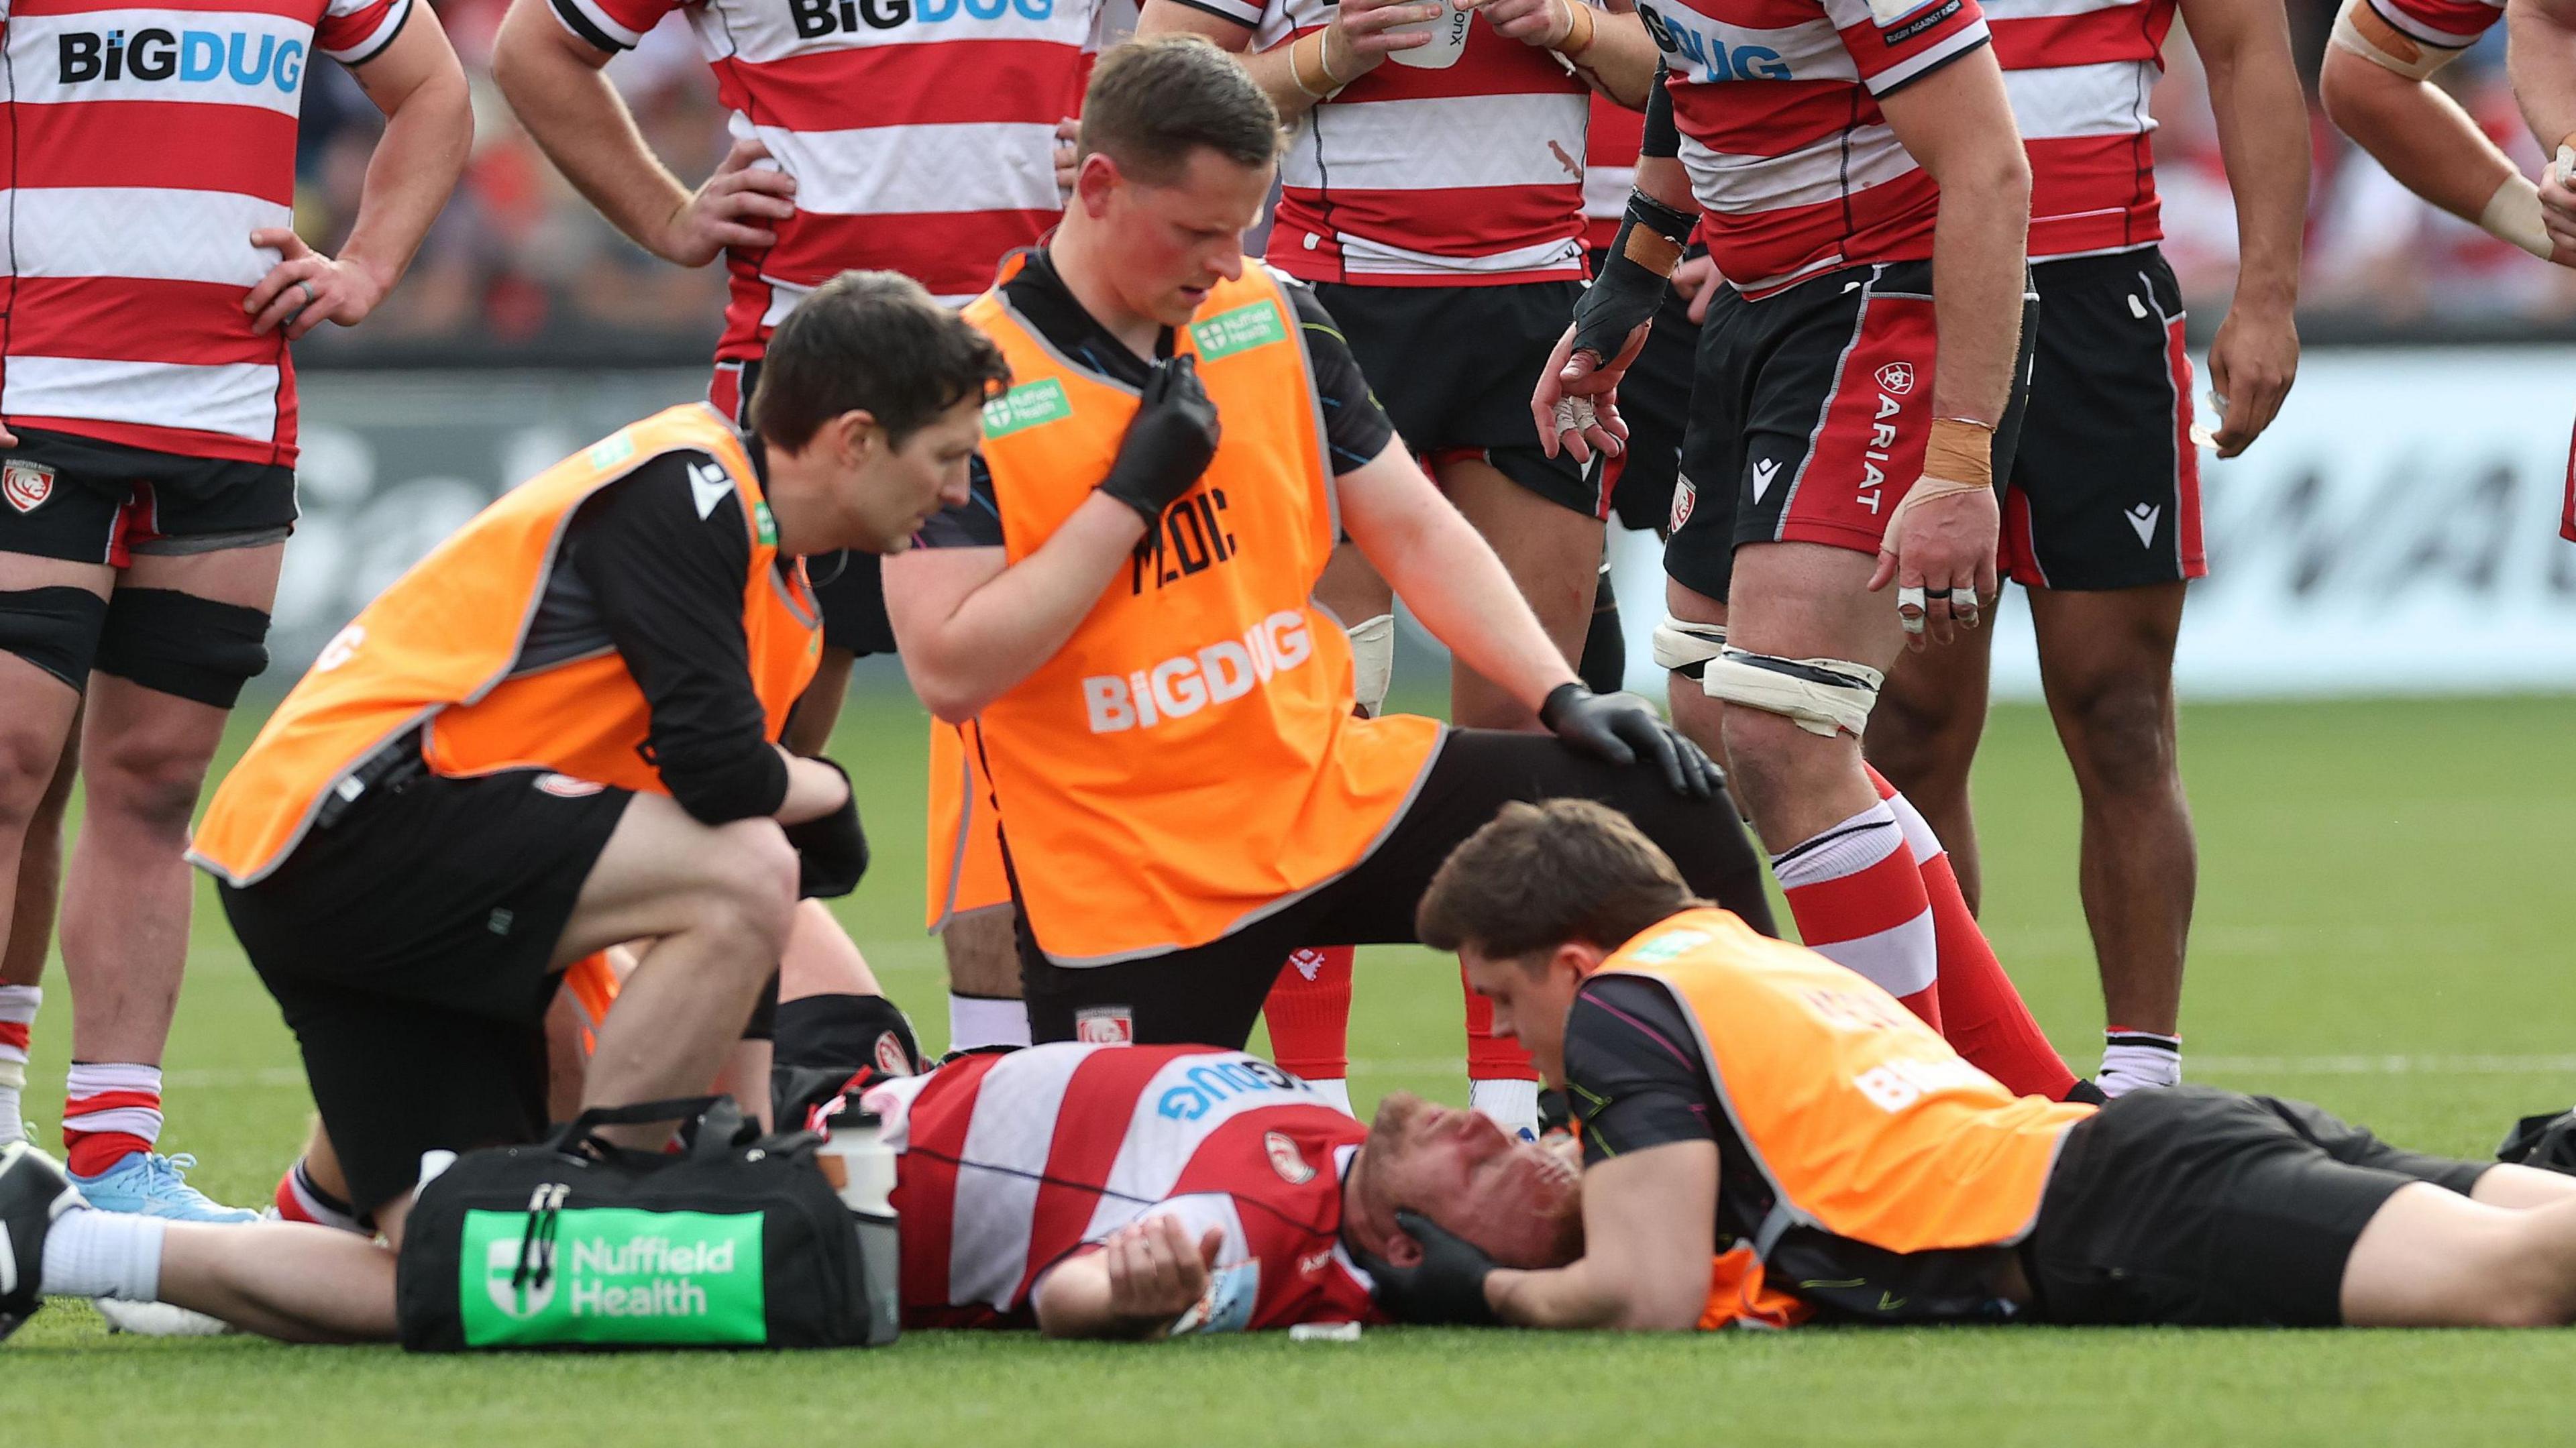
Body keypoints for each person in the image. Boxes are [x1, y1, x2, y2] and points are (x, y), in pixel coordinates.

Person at [0, 273, 1007, 1341]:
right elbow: (726, 788)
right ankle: (609, 1204)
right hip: (356, 823)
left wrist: (749, 1140)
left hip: (362, 861)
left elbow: (711, 825)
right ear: (855, 441)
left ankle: (60, 1240)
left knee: (466, 1265)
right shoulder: (693, 485)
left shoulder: (784, 584)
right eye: (945, 458)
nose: (956, 493)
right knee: (750, 871)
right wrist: (826, 790)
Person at [885, 37, 1774, 1057]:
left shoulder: (1268, 314)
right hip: (1136, 864)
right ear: (1098, 187)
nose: (1226, 260)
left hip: (1326, 790)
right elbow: (950, 668)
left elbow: (1415, 529)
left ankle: (1766, 1131)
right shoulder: (965, 381)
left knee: (1668, 807)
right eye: (1196, 231)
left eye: (1241, 227)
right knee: (1147, 1190)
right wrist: (1129, 497)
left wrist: (1558, 696)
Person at [489, 0, 1109, 1058]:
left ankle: (1016, 1100)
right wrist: (668, 216)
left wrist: (1119, 135)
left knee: (1063, 759)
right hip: (816, 395)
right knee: (736, 785)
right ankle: (639, 1098)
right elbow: (534, 49)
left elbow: (1219, 40)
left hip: (1051, 376)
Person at [1371, 797, 2576, 1331]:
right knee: (2541, 1227)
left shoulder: (1623, 1010)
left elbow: (1646, 1291)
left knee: (2518, 1282)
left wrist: (1474, 1292)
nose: (1513, 1036)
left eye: (1502, 997)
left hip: (2110, 1201)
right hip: (2140, 1155)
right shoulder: (1736, 957)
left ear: (1572, 966)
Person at [1532, 0, 2088, 1101]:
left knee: (1784, 733)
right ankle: (2031, 1103)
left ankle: (1912, 1130)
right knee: (1714, 714)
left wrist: (1963, 462)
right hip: (1750, 305)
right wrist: (1628, 287)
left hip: (1886, 305)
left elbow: (1991, 172)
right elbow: (1685, 79)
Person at [1134, 0, 1664, 1132]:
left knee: (1527, 734)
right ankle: (1307, 1107)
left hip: (1535, 304)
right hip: (1332, 311)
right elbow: (1151, 88)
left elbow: (1676, 72)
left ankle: (1520, 1110)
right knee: (1320, 725)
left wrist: (1567, 21)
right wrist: (1329, 52)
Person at [0, 0, 472, 1219]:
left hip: (225, 419)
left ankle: (113, 1167)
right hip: (35, 395)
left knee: (155, 784)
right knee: (6, 763)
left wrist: (367, 265)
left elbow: (436, 92)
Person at [1854, 0, 2309, 1097]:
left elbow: (2249, 54)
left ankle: (2142, 1081)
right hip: (1901, 292)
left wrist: (2267, 295)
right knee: (1905, 730)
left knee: (2119, 711)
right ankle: (1940, 1075)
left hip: (2096, 295)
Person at [0, 1038, 1578, 1342]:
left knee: (467, 1264)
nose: (1488, 1123)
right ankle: (283, 1230)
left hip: (825, 1219)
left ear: (1405, 1233)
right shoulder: (1318, 1131)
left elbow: (1086, 1292)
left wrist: (1138, 1285)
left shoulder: (1283, 1226)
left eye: (1493, 1162)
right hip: (857, 1096)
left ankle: (65, 1243)